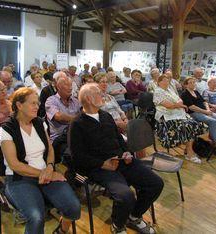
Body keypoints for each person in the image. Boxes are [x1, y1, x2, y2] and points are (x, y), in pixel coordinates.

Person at [70, 83, 164, 234]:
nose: (102, 95)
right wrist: (103, 164)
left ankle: (133, 216)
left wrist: (126, 153)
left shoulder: (105, 116)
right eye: (98, 93)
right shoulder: (77, 124)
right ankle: (118, 225)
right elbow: (78, 157)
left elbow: (119, 140)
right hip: (100, 167)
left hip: (121, 160)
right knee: (126, 195)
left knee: (155, 184)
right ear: (88, 98)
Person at [0, 87, 80, 234]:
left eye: (38, 103)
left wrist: (49, 167)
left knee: (73, 207)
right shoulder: (7, 128)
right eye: (33, 103)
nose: (37, 106)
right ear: (19, 105)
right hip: (20, 178)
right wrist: (47, 173)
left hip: (45, 173)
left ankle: (61, 230)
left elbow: (50, 150)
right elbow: (14, 165)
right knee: (36, 217)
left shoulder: (40, 123)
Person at [154, 75, 204, 163]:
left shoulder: (170, 90)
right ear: (159, 82)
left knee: (194, 124)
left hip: (177, 113)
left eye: (168, 80)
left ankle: (188, 150)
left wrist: (178, 104)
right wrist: (178, 105)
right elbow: (169, 106)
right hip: (166, 117)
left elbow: (179, 100)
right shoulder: (158, 92)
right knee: (187, 126)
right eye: (164, 80)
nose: (167, 82)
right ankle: (189, 152)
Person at [181, 77, 216, 156]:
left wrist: (208, 110)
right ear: (186, 85)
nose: (193, 84)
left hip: (204, 111)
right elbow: (191, 107)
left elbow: (204, 102)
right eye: (191, 83)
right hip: (194, 113)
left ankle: (213, 138)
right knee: (213, 121)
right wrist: (205, 111)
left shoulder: (196, 92)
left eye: (194, 82)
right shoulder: (184, 94)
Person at [45, 74, 81, 162]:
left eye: (71, 85)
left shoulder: (76, 101)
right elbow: (58, 116)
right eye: (66, 85)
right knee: (74, 152)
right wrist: (76, 119)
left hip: (75, 135)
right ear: (58, 87)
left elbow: (84, 116)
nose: (70, 88)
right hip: (59, 138)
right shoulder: (51, 100)